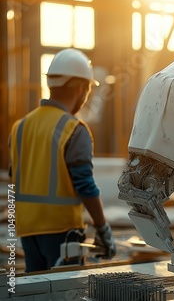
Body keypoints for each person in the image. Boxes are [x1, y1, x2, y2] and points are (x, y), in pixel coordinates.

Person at [8, 48, 116, 272]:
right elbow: (85, 186)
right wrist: (102, 228)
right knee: (66, 292)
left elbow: (15, 176)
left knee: (37, 291)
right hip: (62, 232)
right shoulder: (74, 129)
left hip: (27, 230)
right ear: (80, 88)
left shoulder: (19, 127)